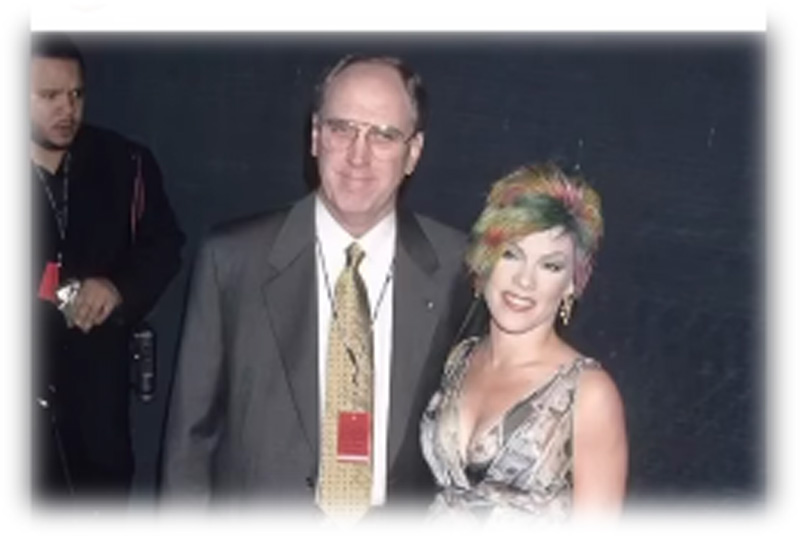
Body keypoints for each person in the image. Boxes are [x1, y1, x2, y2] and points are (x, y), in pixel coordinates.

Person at [160, 55, 473, 516]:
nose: (358, 155)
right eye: (341, 129)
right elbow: (190, 441)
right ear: (314, 136)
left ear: (413, 152)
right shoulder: (233, 259)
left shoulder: (459, 268)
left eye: (383, 135)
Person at [420, 162, 627, 522]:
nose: (525, 281)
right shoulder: (460, 358)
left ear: (571, 284)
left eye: (550, 266)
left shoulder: (588, 392)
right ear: (485, 261)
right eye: (511, 255)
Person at [31, 34, 185, 500]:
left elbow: (164, 245)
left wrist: (118, 288)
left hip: (97, 405)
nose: (67, 109)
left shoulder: (126, 162)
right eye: (49, 96)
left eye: (76, 94)